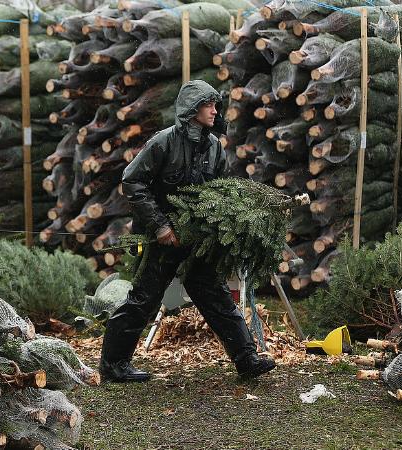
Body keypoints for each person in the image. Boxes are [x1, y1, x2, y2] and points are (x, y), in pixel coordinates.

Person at [98, 79, 276, 382]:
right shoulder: (162, 142)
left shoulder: (214, 147)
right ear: (193, 108)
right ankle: (113, 364)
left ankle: (247, 359)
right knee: (146, 297)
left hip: (197, 239)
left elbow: (221, 192)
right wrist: (160, 226)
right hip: (162, 237)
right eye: (209, 104)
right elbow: (132, 181)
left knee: (216, 294)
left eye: (216, 105)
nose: (214, 110)